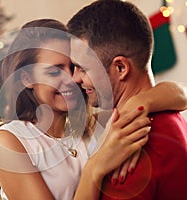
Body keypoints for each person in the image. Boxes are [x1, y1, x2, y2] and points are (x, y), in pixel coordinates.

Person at [0, 19, 186, 200]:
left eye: (73, 67)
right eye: (54, 71)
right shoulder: (9, 142)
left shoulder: (93, 123)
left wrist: (140, 105)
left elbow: (181, 94)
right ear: (26, 79)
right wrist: (94, 168)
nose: (71, 79)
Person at [67, 0, 187, 199]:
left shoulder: (131, 154)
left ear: (121, 68)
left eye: (83, 68)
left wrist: (93, 168)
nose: (74, 78)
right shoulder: (169, 115)